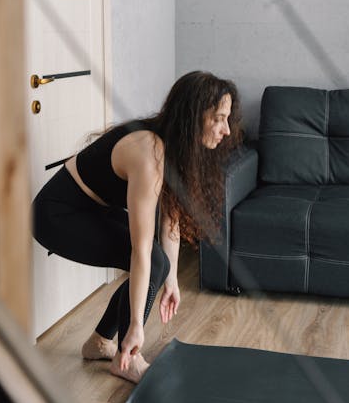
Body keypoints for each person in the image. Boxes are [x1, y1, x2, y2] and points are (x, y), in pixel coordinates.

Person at [32, 71, 243, 383]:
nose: (226, 130)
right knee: (152, 259)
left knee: (160, 264)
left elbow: (170, 218)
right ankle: (126, 356)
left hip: (93, 210)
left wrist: (171, 278)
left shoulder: (175, 146)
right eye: (219, 118)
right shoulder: (148, 151)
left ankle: (99, 343)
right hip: (57, 216)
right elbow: (142, 251)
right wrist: (136, 325)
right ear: (195, 115)